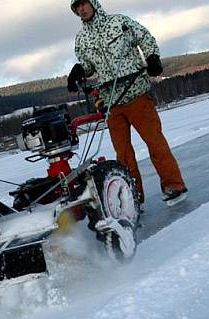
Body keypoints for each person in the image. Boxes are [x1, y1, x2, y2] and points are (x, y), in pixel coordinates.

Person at [67, 0, 188, 206]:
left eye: (84, 4)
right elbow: (88, 66)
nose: (82, 9)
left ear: (94, 3)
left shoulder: (119, 22)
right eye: (77, 7)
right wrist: (79, 70)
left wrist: (152, 58)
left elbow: (145, 37)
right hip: (111, 101)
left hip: (137, 94)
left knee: (155, 142)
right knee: (123, 154)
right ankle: (133, 196)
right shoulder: (81, 39)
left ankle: (174, 186)